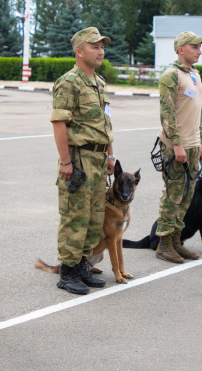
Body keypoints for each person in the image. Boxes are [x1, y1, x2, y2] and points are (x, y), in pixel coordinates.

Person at [50, 27, 116, 295]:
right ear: (79, 51)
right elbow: (59, 122)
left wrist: (110, 154)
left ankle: (81, 267)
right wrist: (66, 161)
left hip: (99, 159)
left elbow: (106, 122)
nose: (101, 50)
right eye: (94, 46)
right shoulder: (69, 82)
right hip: (78, 158)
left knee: (94, 216)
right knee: (75, 216)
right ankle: (67, 271)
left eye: (102, 46)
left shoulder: (99, 83)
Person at [154, 31, 202, 263]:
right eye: (195, 47)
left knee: (186, 196)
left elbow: (199, 112)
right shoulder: (170, 75)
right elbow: (166, 114)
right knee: (173, 196)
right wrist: (177, 144)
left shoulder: (194, 74)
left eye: (199, 47)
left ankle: (176, 241)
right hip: (176, 147)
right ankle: (163, 244)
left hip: (193, 145)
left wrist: (201, 140)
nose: (199, 51)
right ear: (181, 49)